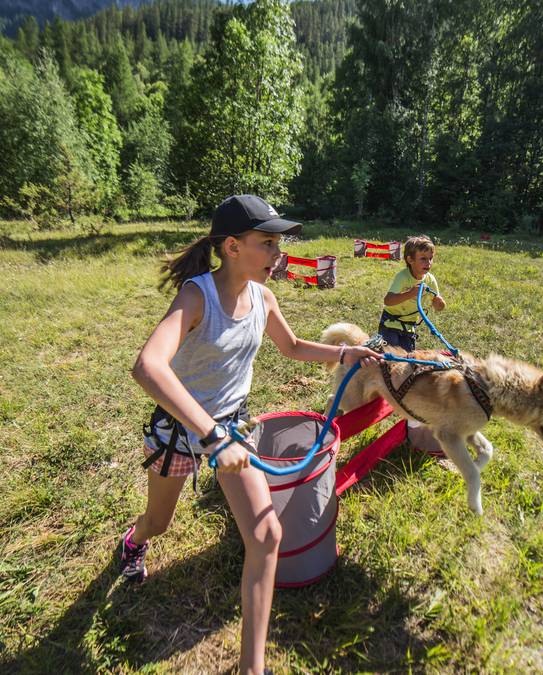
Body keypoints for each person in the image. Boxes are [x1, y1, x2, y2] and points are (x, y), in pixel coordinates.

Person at [120, 195, 381, 675]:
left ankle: (250, 667)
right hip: (180, 431)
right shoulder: (196, 296)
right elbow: (147, 365)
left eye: (279, 243)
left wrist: (346, 356)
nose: (278, 254)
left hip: (232, 428)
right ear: (233, 247)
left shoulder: (264, 297)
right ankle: (133, 542)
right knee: (159, 522)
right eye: (267, 244)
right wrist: (211, 437)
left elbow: (293, 346)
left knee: (266, 535)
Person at [379, 235, 446, 352]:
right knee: (389, 358)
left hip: (409, 327)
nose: (428, 263)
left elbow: (438, 307)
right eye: (423, 259)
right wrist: (410, 293)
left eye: (430, 258)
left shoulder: (430, 280)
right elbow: (388, 301)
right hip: (390, 324)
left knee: (407, 360)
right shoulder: (402, 277)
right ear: (410, 260)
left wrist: (440, 303)